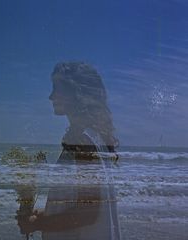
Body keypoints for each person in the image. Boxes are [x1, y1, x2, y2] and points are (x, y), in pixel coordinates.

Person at [17, 62, 120, 240]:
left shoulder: (84, 140)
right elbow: (83, 206)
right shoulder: (91, 137)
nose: (51, 96)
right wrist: (43, 215)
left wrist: (36, 224)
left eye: (58, 89)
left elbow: (88, 213)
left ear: (77, 93)